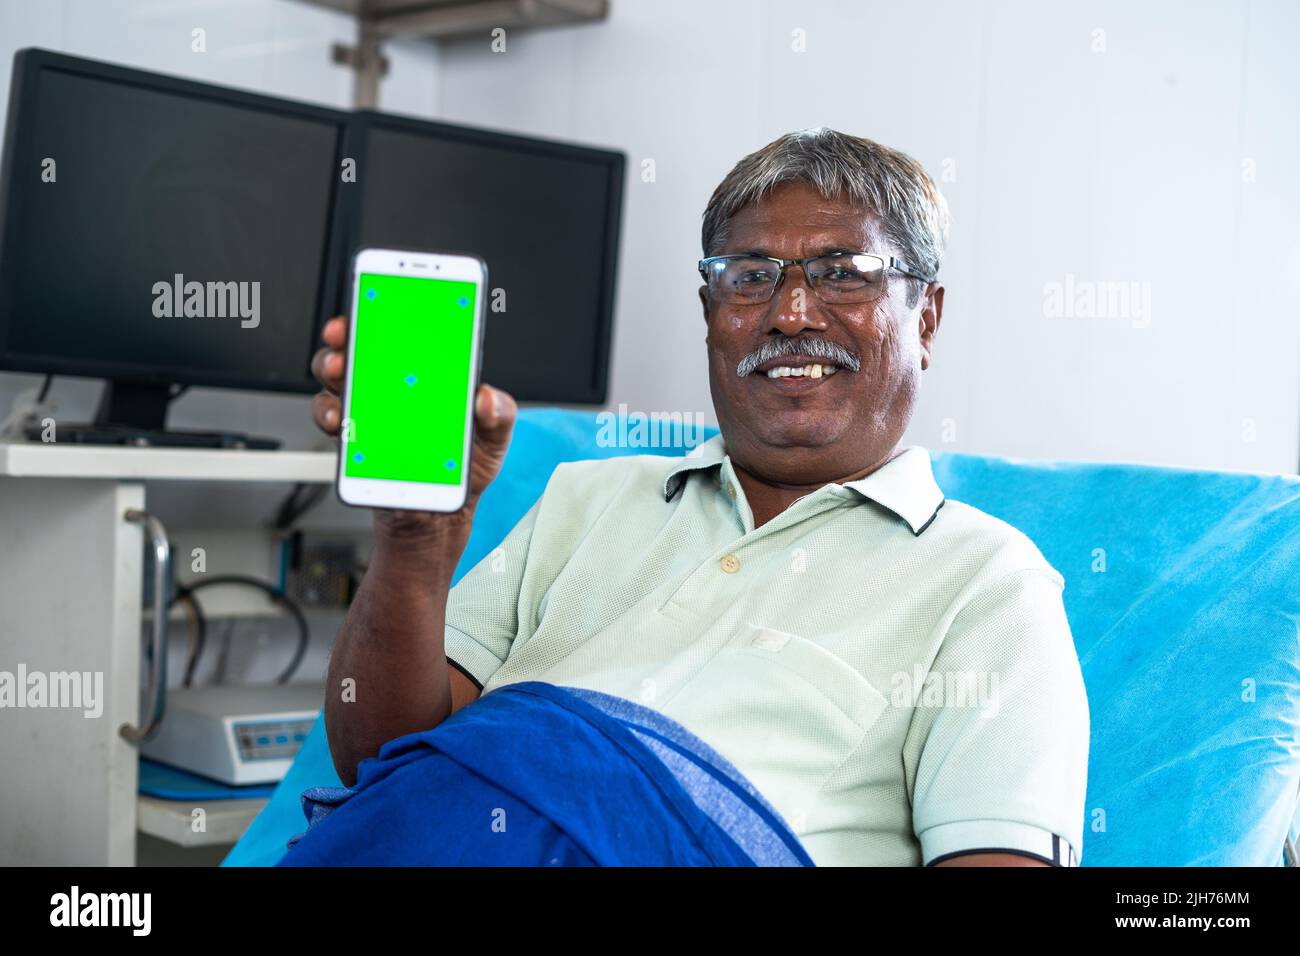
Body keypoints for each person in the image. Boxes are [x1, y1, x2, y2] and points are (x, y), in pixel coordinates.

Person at [308, 127, 1090, 867]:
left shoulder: (988, 585)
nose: (790, 313)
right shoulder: (585, 498)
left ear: (926, 317)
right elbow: (375, 759)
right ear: (711, 314)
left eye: (843, 273)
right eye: (749, 277)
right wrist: (414, 547)